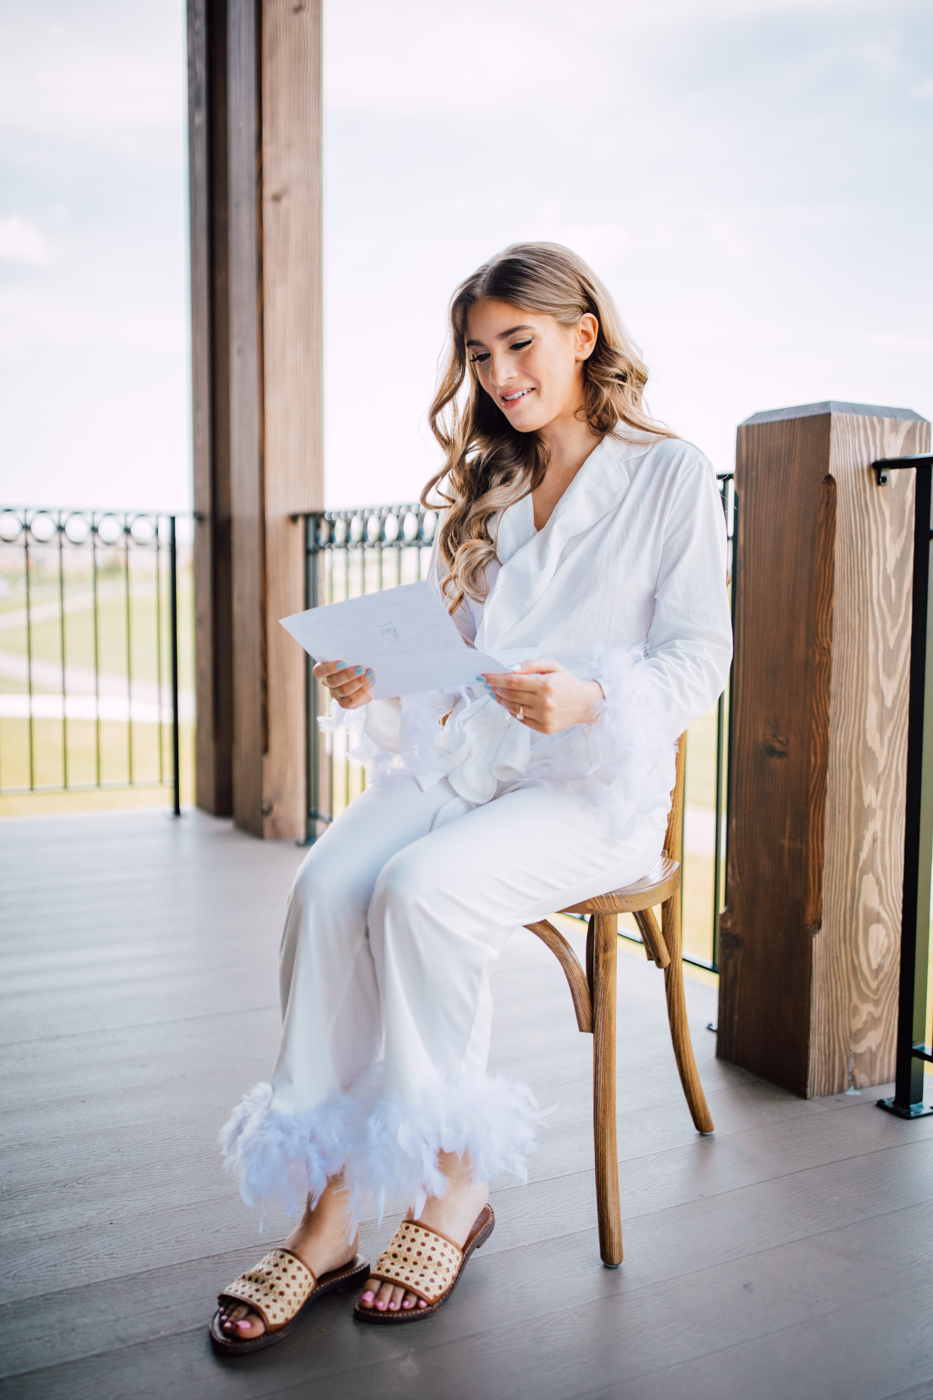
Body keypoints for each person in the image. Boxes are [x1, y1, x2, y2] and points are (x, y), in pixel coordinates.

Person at [210, 242, 732, 1352]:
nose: (498, 374)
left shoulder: (670, 474)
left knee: (423, 891)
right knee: (331, 880)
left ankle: (454, 1186)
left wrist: (592, 698)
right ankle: (335, 1205)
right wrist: (376, 671)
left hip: (589, 783)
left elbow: (701, 654)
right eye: (480, 353)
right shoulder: (497, 481)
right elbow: (464, 648)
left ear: (584, 334)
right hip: (465, 754)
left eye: (519, 344)